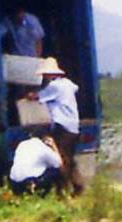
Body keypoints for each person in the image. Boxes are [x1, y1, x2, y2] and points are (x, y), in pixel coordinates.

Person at [29, 60, 85, 195]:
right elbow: (76, 88)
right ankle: (77, 187)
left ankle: (63, 190)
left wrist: (28, 95)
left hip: (62, 126)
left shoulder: (54, 86)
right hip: (73, 125)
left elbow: (37, 97)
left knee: (59, 159)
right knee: (69, 158)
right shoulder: (68, 84)